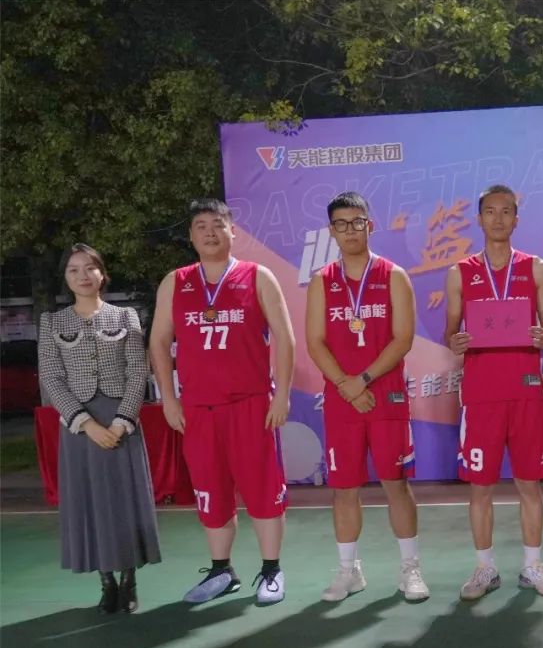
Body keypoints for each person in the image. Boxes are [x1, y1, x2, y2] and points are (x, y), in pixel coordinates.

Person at [149, 199, 294, 605]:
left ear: (233, 231)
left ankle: (271, 570)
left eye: (218, 224)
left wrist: (282, 394)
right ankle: (221, 571)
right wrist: (169, 398)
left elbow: (285, 338)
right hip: (198, 409)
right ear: (191, 236)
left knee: (263, 490)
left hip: (251, 405)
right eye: (201, 226)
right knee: (210, 490)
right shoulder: (175, 282)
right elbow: (158, 342)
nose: (210, 232)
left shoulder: (257, 276)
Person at [306, 191, 428, 602]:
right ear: (331, 231)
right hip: (343, 400)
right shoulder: (322, 280)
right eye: (341, 224)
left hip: (385, 396)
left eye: (357, 222)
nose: (350, 230)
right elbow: (315, 341)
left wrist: (364, 379)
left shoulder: (394, 275)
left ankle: (410, 569)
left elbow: (403, 338)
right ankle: (348, 571)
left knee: (396, 482)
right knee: (344, 488)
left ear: (370, 225)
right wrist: (346, 385)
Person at [444, 184, 543, 600]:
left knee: (530, 484)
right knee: (481, 487)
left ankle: (532, 566)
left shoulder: (536, 268)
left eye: (506, 211)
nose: (498, 218)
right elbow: (450, 332)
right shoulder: (460, 272)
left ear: (516, 218)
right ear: (479, 219)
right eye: (490, 211)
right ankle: (484, 568)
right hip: (481, 395)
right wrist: (456, 340)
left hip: (526, 391)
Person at [38, 243, 161, 613]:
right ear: (65, 278)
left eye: (89, 268)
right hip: (79, 426)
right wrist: (86, 424)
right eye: (73, 270)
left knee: (124, 501)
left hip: (123, 421)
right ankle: (106, 582)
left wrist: (122, 422)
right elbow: (52, 378)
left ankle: (129, 579)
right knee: (89, 503)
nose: (83, 276)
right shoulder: (52, 322)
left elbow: (137, 371)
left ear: (102, 274)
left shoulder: (126, 316)